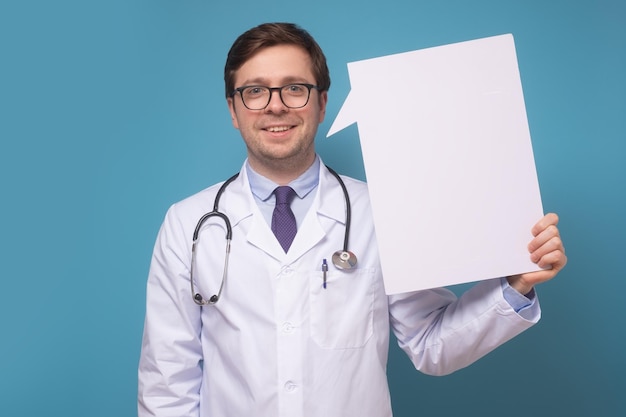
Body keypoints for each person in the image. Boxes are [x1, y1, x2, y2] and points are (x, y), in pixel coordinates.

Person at [138, 22, 567, 417]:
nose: (275, 106)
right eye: (255, 91)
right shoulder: (188, 223)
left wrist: (516, 283)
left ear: (322, 103)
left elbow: (431, 345)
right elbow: (166, 385)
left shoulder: (381, 212)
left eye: (295, 89)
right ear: (233, 109)